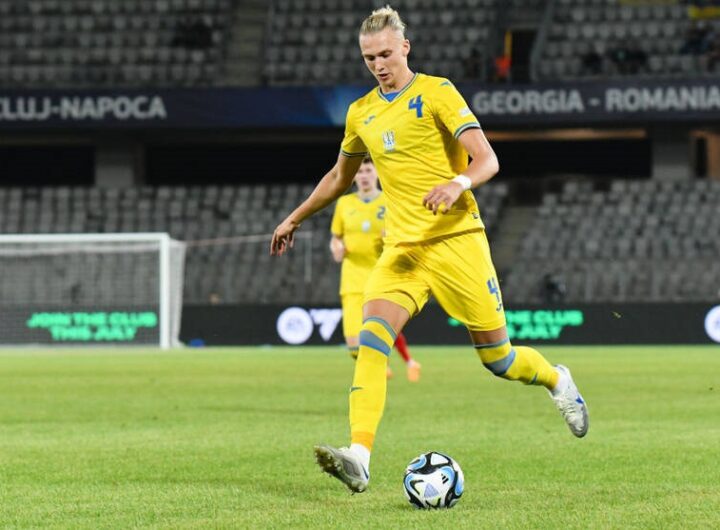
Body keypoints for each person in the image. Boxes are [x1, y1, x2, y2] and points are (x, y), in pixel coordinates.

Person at [270, 6, 589, 494]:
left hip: (457, 242)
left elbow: (487, 159)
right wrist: (294, 217)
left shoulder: (437, 92)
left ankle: (556, 380)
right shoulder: (361, 112)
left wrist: (458, 183)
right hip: (403, 251)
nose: (378, 64)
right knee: (371, 343)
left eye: (385, 54)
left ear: (405, 47)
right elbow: (338, 178)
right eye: (369, 58)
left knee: (499, 360)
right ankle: (359, 456)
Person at [330, 155, 422, 382]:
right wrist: (337, 248)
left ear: (377, 173)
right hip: (352, 280)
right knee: (354, 346)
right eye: (359, 172)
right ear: (354, 177)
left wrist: (392, 236)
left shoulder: (390, 202)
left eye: (368, 171)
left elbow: (407, 236)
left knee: (383, 329)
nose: (364, 176)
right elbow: (336, 237)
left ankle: (383, 373)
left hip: (382, 277)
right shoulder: (344, 204)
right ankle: (386, 365)